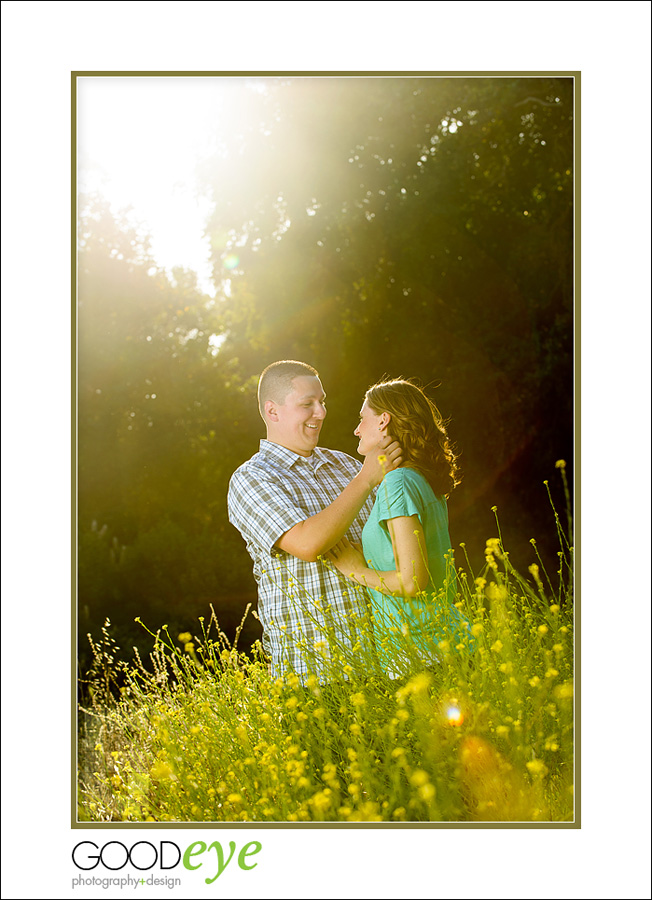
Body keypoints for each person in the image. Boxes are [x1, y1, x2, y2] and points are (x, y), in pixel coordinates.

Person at [227, 360, 401, 679]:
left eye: (322, 402)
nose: (320, 413)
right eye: (307, 404)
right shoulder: (252, 479)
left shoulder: (348, 466)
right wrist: (365, 480)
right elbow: (308, 543)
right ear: (272, 411)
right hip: (315, 676)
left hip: (386, 663)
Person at [327, 378, 471, 673]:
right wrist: (368, 549)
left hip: (424, 655)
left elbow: (412, 580)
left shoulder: (397, 482)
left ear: (383, 421)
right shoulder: (418, 478)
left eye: (361, 418)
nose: (356, 429)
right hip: (443, 648)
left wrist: (355, 570)